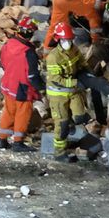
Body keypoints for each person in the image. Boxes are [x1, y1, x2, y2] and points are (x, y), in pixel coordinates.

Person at [44, 21, 90, 162]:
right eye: (65, 40)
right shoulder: (53, 57)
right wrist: (77, 82)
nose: (68, 42)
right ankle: (59, 152)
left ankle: (70, 127)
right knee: (62, 124)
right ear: (58, 40)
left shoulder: (74, 49)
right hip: (58, 94)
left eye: (70, 39)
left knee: (81, 117)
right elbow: (56, 79)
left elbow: (81, 62)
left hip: (73, 91)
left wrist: (88, 73)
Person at [0, 15, 44, 152]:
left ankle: (2, 140)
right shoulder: (29, 52)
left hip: (8, 83)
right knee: (23, 113)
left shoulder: (8, 44)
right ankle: (18, 142)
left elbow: (3, 62)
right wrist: (42, 88)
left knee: (9, 111)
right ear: (30, 33)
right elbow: (32, 76)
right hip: (22, 87)